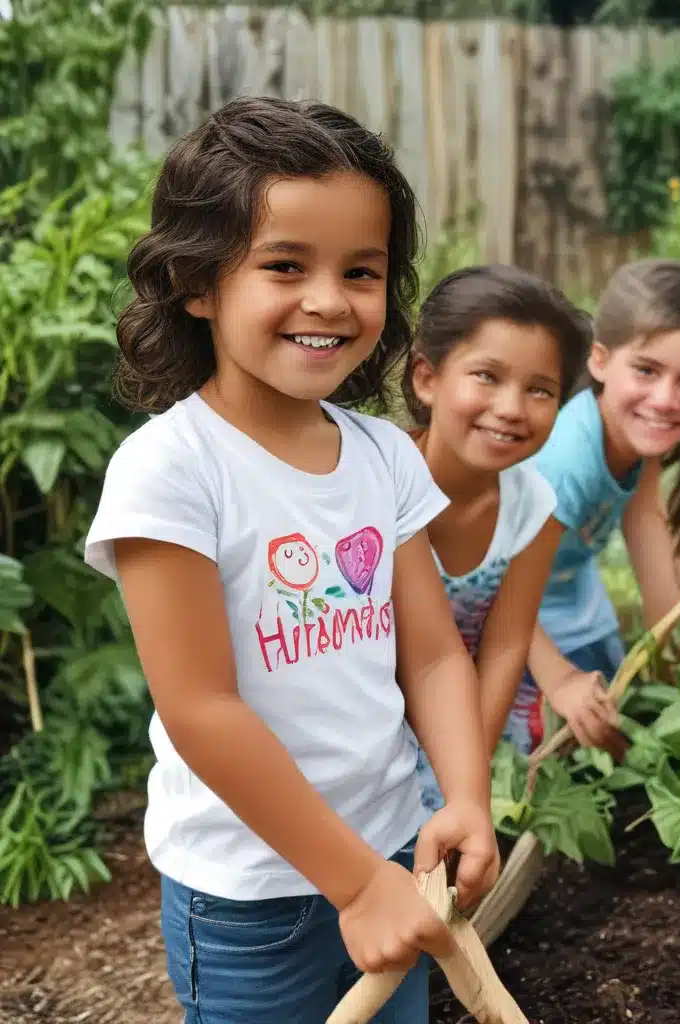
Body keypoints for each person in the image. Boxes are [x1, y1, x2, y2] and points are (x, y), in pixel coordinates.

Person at [82, 96, 499, 1024]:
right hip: (251, 897)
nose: (327, 299)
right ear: (198, 283)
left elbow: (430, 654)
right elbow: (201, 708)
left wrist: (465, 795)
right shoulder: (171, 470)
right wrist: (353, 886)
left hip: (396, 850)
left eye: (361, 270)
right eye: (284, 265)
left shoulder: (385, 455)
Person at [513, 258, 680, 756]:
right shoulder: (567, 459)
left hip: (567, 598)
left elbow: (652, 558)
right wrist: (560, 683)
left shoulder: (638, 444)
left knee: (614, 726)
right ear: (600, 360)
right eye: (646, 370)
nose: (664, 399)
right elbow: (500, 588)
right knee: (539, 764)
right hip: (497, 614)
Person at [402, 264, 591, 808]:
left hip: (469, 723)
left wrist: (465, 785)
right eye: (487, 376)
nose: (511, 408)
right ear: (427, 378)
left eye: (540, 389)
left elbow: (507, 643)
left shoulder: (532, 504)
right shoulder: (379, 485)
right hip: (370, 729)